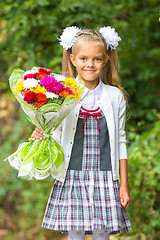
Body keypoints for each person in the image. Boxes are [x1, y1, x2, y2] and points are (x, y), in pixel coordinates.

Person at [29, 26, 132, 240]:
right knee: (75, 235)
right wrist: (41, 134)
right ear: (73, 59)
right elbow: (53, 132)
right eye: (84, 58)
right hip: (72, 177)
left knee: (102, 235)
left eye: (96, 59)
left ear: (105, 61)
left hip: (105, 178)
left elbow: (120, 142)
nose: (90, 64)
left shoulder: (115, 97)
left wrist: (123, 185)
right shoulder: (61, 95)